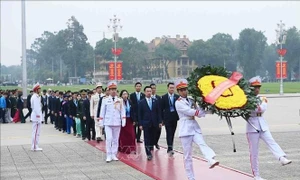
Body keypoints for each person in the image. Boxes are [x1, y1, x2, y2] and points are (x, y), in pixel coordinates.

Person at [247, 76, 292, 180]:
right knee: (254, 152)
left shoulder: (263, 98)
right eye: (255, 87)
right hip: (252, 127)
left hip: (262, 125)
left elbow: (261, 109)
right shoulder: (244, 99)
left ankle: (281, 157)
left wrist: (250, 104)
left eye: (258, 87)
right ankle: (256, 175)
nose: (257, 89)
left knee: (272, 141)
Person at [174, 78, 219, 180]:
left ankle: (210, 159)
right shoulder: (178, 102)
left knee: (202, 143)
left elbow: (199, 111)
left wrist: (211, 110)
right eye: (181, 90)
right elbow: (191, 112)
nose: (184, 91)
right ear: (178, 91)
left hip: (194, 127)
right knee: (187, 156)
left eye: (185, 89)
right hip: (185, 129)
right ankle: (191, 177)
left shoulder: (191, 100)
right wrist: (202, 112)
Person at [99, 81, 126, 162]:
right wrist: (101, 121)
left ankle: (114, 154)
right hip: (108, 122)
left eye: (114, 89)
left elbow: (122, 111)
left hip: (117, 122)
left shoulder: (120, 100)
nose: (113, 91)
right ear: (109, 90)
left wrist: (123, 120)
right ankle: (108, 154)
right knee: (109, 139)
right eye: (111, 89)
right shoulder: (105, 100)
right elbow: (102, 111)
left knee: (115, 139)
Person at [138, 86, 162, 161]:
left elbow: (158, 112)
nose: (149, 93)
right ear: (145, 92)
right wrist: (140, 124)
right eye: (147, 91)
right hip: (146, 123)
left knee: (153, 137)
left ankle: (151, 147)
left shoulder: (155, 101)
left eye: (150, 91)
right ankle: (148, 153)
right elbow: (140, 114)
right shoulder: (141, 102)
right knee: (147, 138)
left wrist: (160, 122)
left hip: (154, 123)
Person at [161, 82, 180, 156]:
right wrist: (162, 119)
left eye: (173, 88)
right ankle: (169, 147)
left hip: (175, 118)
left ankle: (171, 145)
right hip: (167, 118)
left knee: (172, 133)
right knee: (168, 132)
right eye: (170, 88)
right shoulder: (164, 97)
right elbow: (161, 109)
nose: (172, 89)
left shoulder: (177, 97)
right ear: (168, 88)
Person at [118, 90, 137, 154]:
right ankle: (123, 148)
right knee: (123, 135)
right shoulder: (119, 102)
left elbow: (133, 111)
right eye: (123, 94)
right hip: (122, 120)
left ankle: (132, 148)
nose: (125, 95)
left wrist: (134, 120)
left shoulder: (130, 102)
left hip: (129, 120)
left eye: (126, 94)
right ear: (121, 96)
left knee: (132, 135)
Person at [30, 83, 43, 151]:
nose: (40, 90)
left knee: (37, 132)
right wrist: (38, 117)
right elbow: (36, 108)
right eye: (39, 89)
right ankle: (34, 146)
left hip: (37, 116)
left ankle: (35, 145)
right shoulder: (35, 97)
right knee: (35, 132)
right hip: (36, 116)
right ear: (36, 90)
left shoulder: (37, 96)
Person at [150, 83, 162, 150]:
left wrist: (161, 120)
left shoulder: (159, 98)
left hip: (157, 118)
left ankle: (156, 142)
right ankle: (151, 144)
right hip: (150, 119)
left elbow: (161, 109)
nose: (153, 90)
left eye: (154, 88)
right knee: (151, 132)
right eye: (152, 88)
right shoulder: (147, 98)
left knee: (158, 131)